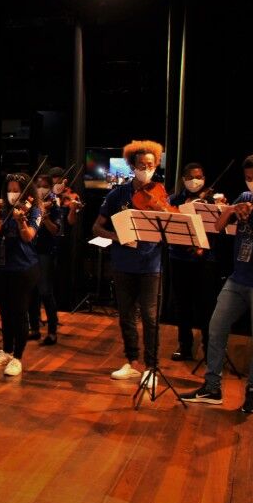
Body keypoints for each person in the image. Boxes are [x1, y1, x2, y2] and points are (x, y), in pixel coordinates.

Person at [180, 154, 253, 413]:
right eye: (249, 178)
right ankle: (212, 387)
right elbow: (218, 226)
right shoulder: (244, 198)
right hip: (238, 277)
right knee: (216, 326)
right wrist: (232, 210)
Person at [91, 140, 165, 387]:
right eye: (142, 164)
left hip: (150, 265)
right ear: (132, 165)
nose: (146, 168)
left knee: (150, 317)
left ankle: (152, 367)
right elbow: (97, 226)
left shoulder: (161, 193)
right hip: (123, 264)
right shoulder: (117, 194)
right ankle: (132, 362)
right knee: (126, 316)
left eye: (151, 165)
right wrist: (117, 236)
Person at [0, 174, 41, 376]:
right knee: (4, 311)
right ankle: (7, 350)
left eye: (16, 190)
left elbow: (28, 237)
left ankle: (18, 357)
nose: (12, 193)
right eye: (10, 189)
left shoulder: (33, 210)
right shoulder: (3, 209)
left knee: (19, 312)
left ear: (25, 191)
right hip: (3, 266)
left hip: (24, 268)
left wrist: (21, 222)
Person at [166, 162, 221, 362]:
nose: (194, 181)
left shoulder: (212, 201)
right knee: (182, 305)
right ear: (183, 179)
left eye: (198, 177)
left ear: (204, 178)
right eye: (189, 178)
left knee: (206, 306)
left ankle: (209, 349)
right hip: (178, 258)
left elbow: (219, 228)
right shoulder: (173, 199)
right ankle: (185, 346)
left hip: (205, 259)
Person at [27, 172, 64, 345]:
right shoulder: (32, 204)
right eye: (38, 186)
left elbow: (56, 230)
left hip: (46, 252)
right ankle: (34, 328)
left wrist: (45, 217)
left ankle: (52, 331)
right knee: (32, 291)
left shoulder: (54, 205)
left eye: (44, 186)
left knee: (45, 291)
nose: (41, 189)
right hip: (31, 251)